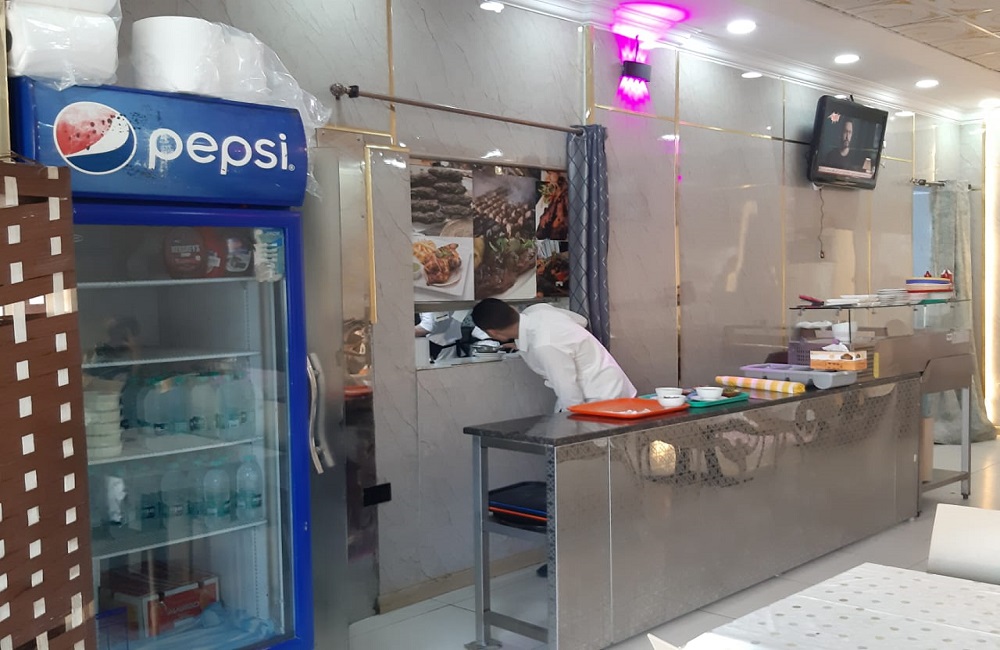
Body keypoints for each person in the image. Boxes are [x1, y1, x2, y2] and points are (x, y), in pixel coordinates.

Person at [471, 299, 636, 413]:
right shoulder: (538, 310)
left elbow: (569, 392)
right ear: (512, 309)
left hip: (601, 398)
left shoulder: (544, 345)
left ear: (492, 333)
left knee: (595, 450)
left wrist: (572, 427)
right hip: (607, 383)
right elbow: (581, 321)